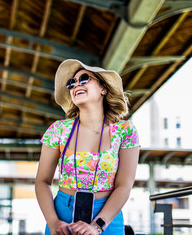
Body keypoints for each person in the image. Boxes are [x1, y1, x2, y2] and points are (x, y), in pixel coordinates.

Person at [35, 59, 140, 235]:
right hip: (62, 217)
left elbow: (124, 185)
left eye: (84, 78)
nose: (76, 85)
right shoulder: (58, 130)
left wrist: (97, 226)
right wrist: (53, 222)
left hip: (106, 217)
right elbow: (42, 181)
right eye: (71, 83)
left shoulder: (125, 131)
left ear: (103, 88)